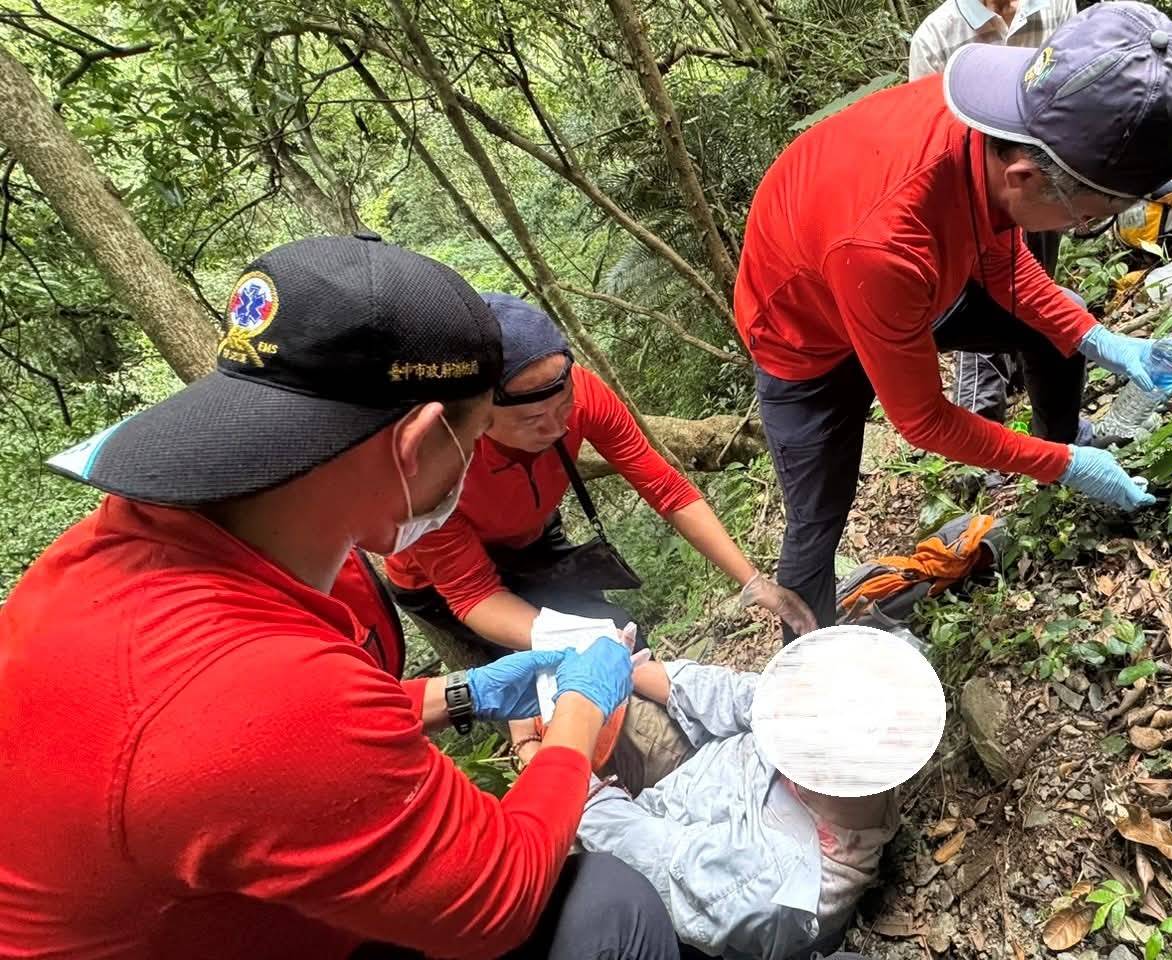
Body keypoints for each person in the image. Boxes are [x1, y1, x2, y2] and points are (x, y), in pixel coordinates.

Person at [0, 234, 674, 960]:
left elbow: (263, 756)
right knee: (611, 909)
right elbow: (500, 897)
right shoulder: (250, 689)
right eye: (477, 435)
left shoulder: (132, 550)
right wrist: (579, 710)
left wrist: (459, 694)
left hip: (237, 919)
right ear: (415, 444)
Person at [735, 2, 1172, 638]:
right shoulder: (887, 243)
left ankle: (1065, 438)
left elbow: (999, 248)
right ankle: (814, 661)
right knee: (818, 518)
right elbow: (924, 420)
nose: (1084, 227)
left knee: (1054, 327)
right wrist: (1061, 465)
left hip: (913, 281)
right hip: (808, 333)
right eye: (1088, 217)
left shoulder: (1005, 120)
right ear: (1025, 177)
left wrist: (1095, 338)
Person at [385, 293, 815, 672]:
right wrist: (578, 638)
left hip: (530, 538)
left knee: (623, 638)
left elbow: (666, 488)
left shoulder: (584, 395)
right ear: (479, 414)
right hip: (441, 585)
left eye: (564, 406)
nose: (557, 427)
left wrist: (754, 582)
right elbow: (473, 595)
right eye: (533, 420)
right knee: (570, 669)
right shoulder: (433, 467)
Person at [570, 626, 944, 960]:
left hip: (652, 852)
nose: (789, 706)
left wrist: (562, 756)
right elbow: (732, 693)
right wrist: (621, 669)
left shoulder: (774, 883)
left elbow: (645, 850)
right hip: (685, 791)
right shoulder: (833, 742)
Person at [908, 0, 1079, 431]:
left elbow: (1076, 81)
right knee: (983, 294)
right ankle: (983, 417)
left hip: (1047, 173)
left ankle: (1048, 423)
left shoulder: (1053, 5)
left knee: (1037, 290)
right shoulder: (937, 36)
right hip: (974, 194)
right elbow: (928, 133)